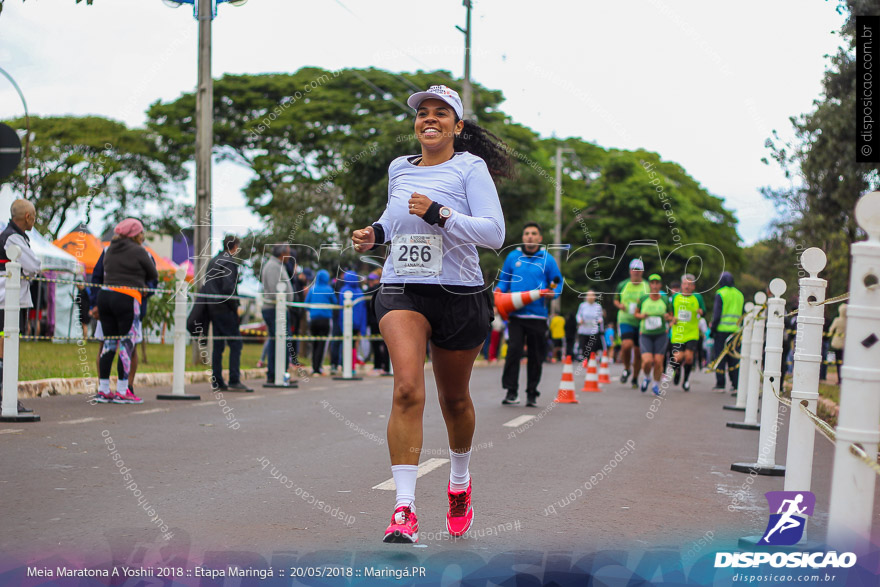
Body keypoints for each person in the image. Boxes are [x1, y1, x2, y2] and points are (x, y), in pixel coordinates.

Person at [350, 84, 508, 543]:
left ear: (457, 127)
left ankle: (459, 484)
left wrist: (441, 214)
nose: (430, 119)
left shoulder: (470, 167)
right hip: (402, 287)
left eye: (442, 113)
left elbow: (495, 233)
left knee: (454, 400)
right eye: (423, 113)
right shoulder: (399, 168)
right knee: (405, 390)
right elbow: (395, 219)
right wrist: (373, 233)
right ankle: (404, 508)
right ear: (416, 124)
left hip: (459, 293)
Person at [497, 222, 562, 407]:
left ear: (540, 238)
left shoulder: (547, 259)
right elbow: (504, 281)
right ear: (523, 237)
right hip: (516, 315)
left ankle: (532, 393)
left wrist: (553, 293)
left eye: (534, 233)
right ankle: (511, 392)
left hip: (538, 316)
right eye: (527, 233)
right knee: (513, 352)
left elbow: (558, 283)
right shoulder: (513, 256)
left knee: (536, 356)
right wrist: (498, 293)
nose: (530, 236)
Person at [95, 219, 157, 404]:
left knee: (109, 344)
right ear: (135, 235)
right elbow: (153, 273)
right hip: (127, 298)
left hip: (105, 297)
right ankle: (123, 390)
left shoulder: (109, 248)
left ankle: (103, 389)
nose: (142, 236)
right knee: (126, 345)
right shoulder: (139, 251)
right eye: (141, 233)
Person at [0, 199, 40, 413]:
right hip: (7, 302)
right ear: (27, 217)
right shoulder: (13, 237)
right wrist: (31, 272)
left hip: (8, 301)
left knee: (5, 346)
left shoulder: (11, 235)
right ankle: (5, 398)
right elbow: (34, 265)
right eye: (34, 215)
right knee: (5, 348)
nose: (35, 219)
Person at [202, 235, 249, 391]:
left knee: (218, 345)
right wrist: (235, 307)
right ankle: (234, 379)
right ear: (234, 246)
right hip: (225, 309)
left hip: (213, 308)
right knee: (236, 343)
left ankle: (217, 380)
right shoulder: (229, 262)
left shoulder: (213, 261)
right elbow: (229, 288)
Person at [633, 274, 672, 395]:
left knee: (659, 361)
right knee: (647, 361)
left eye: (657, 283)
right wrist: (642, 316)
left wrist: (668, 317)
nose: (655, 286)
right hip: (646, 334)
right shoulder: (644, 298)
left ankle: (655, 385)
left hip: (660, 334)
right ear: (649, 285)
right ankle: (647, 377)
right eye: (652, 283)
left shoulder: (665, 299)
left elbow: (671, 316)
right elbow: (636, 314)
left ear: (660, 285)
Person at [260, 244, 294, 385]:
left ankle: (280, 373)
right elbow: (276, 291)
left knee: (280, 340)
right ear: (283, 253)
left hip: (279, 309)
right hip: (275, 309)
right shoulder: (273, 267)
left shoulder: (278, 265)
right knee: (278, 341)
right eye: (288, 252)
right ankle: (275, 374)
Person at [614, 259, 650, 388]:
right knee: (626, 345)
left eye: (638, 270)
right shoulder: (623, 284)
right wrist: (620, 306)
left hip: (641, 321)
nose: (636, 272)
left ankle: (635, 378)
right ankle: (627, 368)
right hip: (626, 319)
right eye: (634, 269)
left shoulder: (647, 286)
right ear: (630, 271)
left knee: (639, 351)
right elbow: (615, 300)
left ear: (642, 272)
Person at [668, 273, 706, 391]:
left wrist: (700, 311)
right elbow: (669, 313)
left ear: (693, 287)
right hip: (678, 332)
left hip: (692, 332)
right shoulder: (675, 297)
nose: (686, 287)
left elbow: (704, 311)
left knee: (689, 358)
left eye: (689, 285)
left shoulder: (698, 297)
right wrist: (671, 319)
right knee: (678, 358)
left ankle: (686, 380)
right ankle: (677, 371)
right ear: (681, 285)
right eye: (684, 284)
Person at [710, 271, 744, 392]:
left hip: (722, 331)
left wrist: (712, 329)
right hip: (736, 331)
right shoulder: (739, 294)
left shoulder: (721, 293)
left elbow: (717, 314)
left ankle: (720, 384)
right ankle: (735, 384)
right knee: (734, 357)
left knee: (720, 357)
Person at [305, 269, 336, 376]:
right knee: (322, 344)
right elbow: (335, 302)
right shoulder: (329, 289)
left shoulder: (312, 289)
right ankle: (318, 368)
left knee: (314, 343)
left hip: (313, 320)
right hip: (325, 320)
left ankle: (314, 367)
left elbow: (306, 304)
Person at [365, 272, 390, 374]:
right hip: (383, 319)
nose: (371, 282)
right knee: (386, 344)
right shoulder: (384, 288)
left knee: (376, 344)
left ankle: (378, 366)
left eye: (372, 280)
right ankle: (387, 367)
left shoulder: (367, 291)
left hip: (374, 321)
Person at [575, 290, 604, 364]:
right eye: (589, 295)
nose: (591, 297)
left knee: (592, 346)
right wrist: (580, 320)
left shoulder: (598, 306)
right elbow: (578, 315)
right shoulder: (582, 305)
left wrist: (599, 321)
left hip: (593, 330)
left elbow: (600, 317)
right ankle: (585, 360)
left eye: (592, 295)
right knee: (583, 346)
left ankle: (592, 360)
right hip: (584, 330)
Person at [828, 303, 847, 384]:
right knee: (844, 362)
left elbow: (830, 330)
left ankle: (839, 379)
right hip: (845, 343)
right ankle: (843, 378)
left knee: (838, 363)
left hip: (836, 342)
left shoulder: (837, 320)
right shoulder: (849, 321)